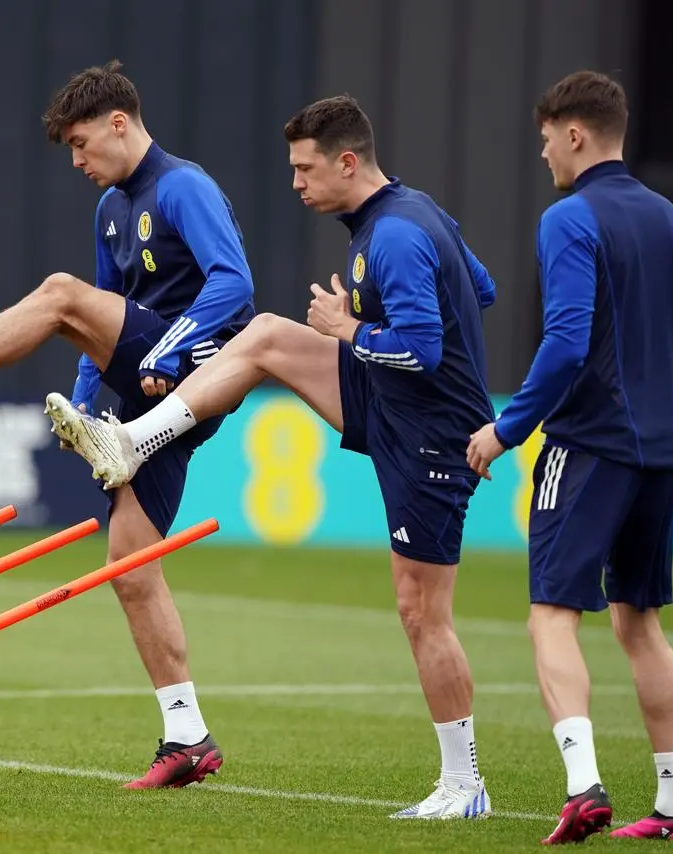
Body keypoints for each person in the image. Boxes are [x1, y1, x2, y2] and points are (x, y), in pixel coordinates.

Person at [47, 95, 498, 819]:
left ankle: (464, 785)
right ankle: (138, 436)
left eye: (305, 168)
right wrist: (370, 325)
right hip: (386, 400)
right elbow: (482, 287)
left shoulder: (397, 236)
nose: (295, 183)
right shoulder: (410, 217)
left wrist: (351, 329)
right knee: (262, 336)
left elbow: (423, 350)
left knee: (421, 612)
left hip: (431, 435)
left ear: (347, 162)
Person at [0, 60, 256, 788]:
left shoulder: (183, 185)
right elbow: (104, 312)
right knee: (130, 568)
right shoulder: (109, 211)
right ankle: (188, 737)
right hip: (147, 392)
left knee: (59, 294)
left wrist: (167, 345)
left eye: (80, 143)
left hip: (201, 370)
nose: (76, 161)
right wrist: (89, 405)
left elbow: (236, 285)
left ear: (119, 123)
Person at [466, 70, 673, 844]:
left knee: (550, 617)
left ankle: (584, 785)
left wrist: (507, 428)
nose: (541, 154)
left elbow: (566, 342)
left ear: (574, 134)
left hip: (591, 443)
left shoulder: (571, 218)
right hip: (664, 447)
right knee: (641, 623)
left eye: (545, 138)